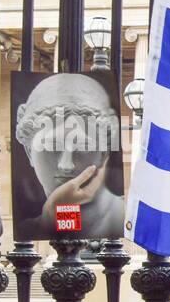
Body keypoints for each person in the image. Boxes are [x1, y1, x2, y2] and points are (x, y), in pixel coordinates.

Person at [14, 73, 125, 240]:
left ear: (104, 153)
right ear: (29, 152)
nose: (66, 165)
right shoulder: (29, 230)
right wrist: (54, 214)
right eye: (52, 146)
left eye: (82, 146)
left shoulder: (126, 216)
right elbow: (68, 239)